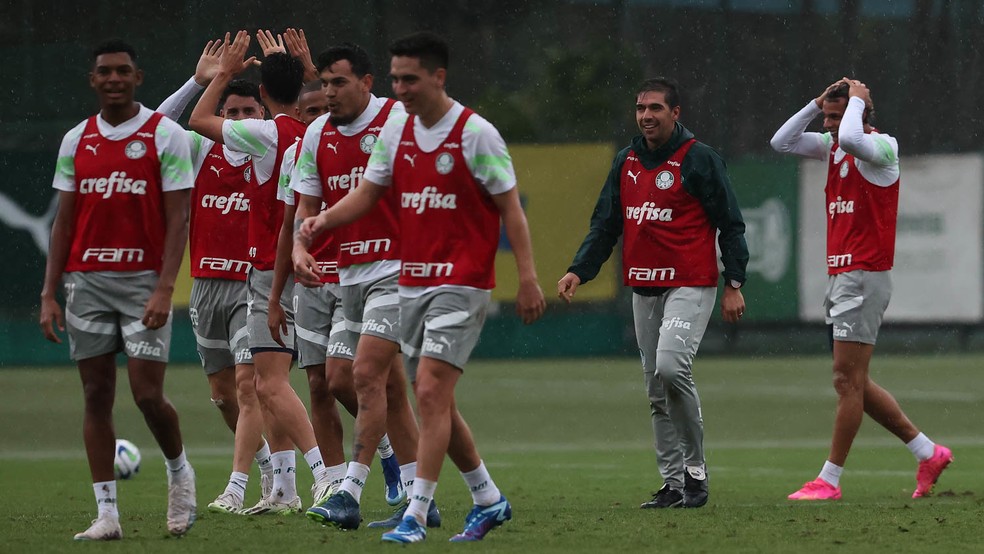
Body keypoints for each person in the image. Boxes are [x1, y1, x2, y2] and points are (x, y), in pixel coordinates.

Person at [298, 31, 546, 543]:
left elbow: (511, 211)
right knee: (436, 402)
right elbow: (367, 194)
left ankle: (413, 512)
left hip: (461, 282)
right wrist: (322, 222)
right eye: (397, 79)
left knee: (424, 389)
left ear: (438, 77)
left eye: (410, 78)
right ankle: (488, 497)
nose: (402, 88)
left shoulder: (476, 133)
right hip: (412, 282)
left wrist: (527, 278)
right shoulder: (397, 133)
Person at [558, 77, 749, 511]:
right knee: (655, 390)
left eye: (656, 108)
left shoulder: (699, 159)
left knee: (669, 366)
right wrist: (578, 271)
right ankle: (673, 484)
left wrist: (734, 283)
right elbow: (606, 224)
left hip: (690, 284)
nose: (647, 115)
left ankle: (695, 472)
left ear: (675, 113)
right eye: (641, 108)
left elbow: (730, 223)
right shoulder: (625, 161)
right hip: (644, 289)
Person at [39, 39, 197, 540]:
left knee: (148, 394)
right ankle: (107, 514)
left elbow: (179, 220)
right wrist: (49, 292)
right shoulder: (75, 140)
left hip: (143, 284)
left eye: (122, 71)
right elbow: (64, 221)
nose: (113, 78)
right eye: (104, 71)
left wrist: (164, 287)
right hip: (85, 283)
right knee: (95, 394)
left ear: (138, 77)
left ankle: (180, 474)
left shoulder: (164, 134)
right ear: (93, 80)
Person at [771, 78, 953, 501]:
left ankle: (829, 481)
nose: (831, 126)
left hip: (864, 272)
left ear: (861, 112)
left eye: (837, 117)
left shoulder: (881, 147)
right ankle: (928, 452)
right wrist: (815, 104)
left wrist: (855, 99)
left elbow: (853, 137)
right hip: (843, 275)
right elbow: (781, 142)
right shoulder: (834, 144)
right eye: (827, 118)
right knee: (855, 380)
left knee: (845, 380)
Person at [189, 30, 333, 514]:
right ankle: (284, 490)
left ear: (263, 96)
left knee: (269, 384)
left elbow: (198, 119)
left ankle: (324, 479)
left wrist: (226, 74)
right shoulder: (318, 130)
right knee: (264, 383)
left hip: (270, 271)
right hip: (300, 266)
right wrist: (305, 72)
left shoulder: (267, 134)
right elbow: (324, 102)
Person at [290, 43, 433, 531]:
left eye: (339, 83)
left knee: (366, 375)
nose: (328, 93)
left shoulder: (396, 121)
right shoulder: (315, 134)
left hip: (398, 269)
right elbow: (306, 208)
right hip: (347, 272)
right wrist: (299, 249)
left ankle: (348, 493)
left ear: (367, 83)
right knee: (356, 381)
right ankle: (421, 496)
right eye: (324, 84)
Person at [155, 40, 276, 514]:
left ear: (263, 113)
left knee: (249, 387)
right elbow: (157, 128)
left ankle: (237, 487)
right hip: (206, 287)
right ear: (221, 115)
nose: (243, 120)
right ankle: (268, 465)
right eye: (234, 112)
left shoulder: (271, 147)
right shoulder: (204, 149)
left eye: (251, 111)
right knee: (223, 397)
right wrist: (201, 82)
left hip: (254, 283)